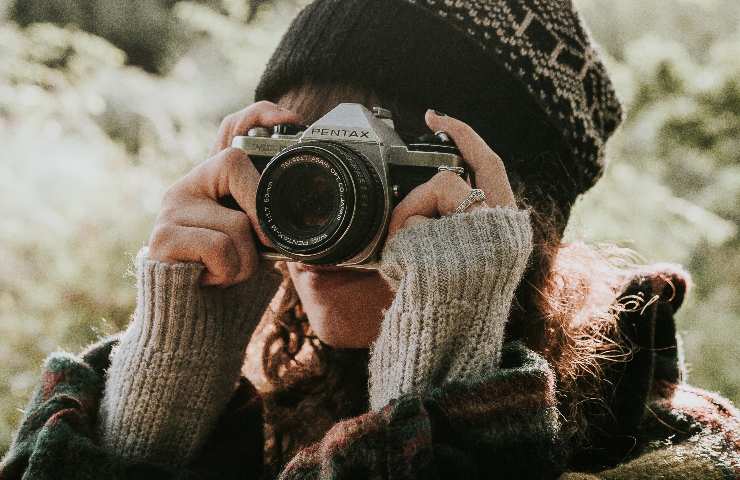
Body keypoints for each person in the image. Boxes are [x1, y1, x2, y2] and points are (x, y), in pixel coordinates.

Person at [2, 0, 738, 478]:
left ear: (524, 216)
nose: (327, 211)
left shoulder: (683, 451)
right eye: (305, 165)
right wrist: (155, 400)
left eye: (391, 172)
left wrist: (448, 387)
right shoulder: (260, 421)